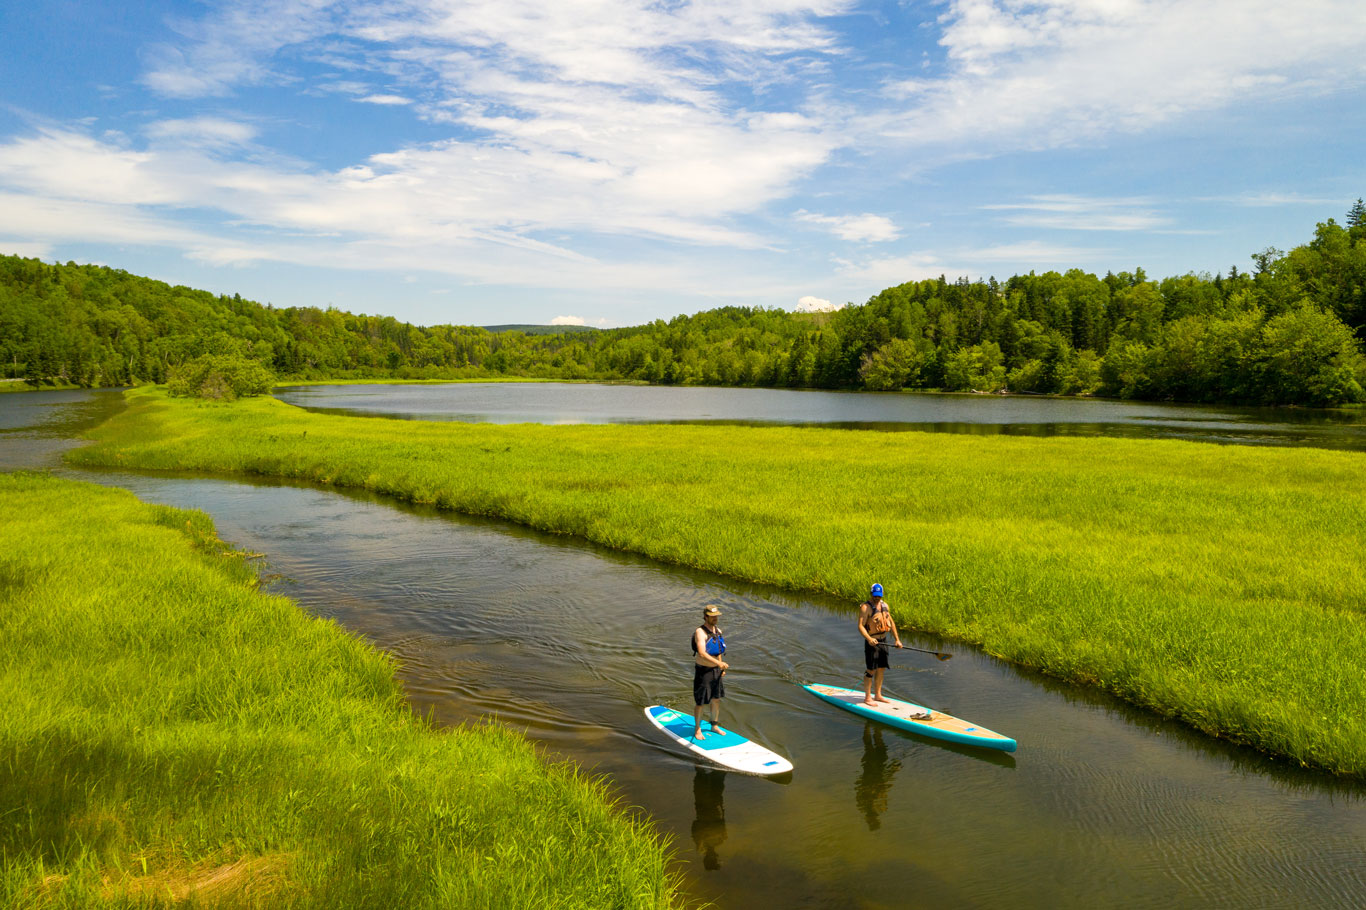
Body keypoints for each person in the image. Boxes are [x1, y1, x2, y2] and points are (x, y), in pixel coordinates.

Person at [858, 582, 902, 705]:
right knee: (871, 670)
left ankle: (877, 695)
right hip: (872, 642)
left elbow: (891, 623)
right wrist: (869, 639)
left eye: (879, 595)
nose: (877, 598)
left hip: (883, 641)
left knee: (881, 668)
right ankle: (867, 698)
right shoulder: (865, 608)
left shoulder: (885, 606)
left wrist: (897, 639)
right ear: (871, 594)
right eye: (875, 595)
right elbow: (860, 626)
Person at [692, 604, 729, 739]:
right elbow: (701, 653)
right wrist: (719, 663)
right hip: (703, 672)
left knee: (716, 699)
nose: (715, 619)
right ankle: (697, 729)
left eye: (716, 616)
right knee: (701, 702)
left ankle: (714, 725)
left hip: (716, 671)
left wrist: (720, 667)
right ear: (706, 616)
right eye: (712, 616)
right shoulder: (700, 632)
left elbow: (718, 650)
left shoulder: (718, 630)